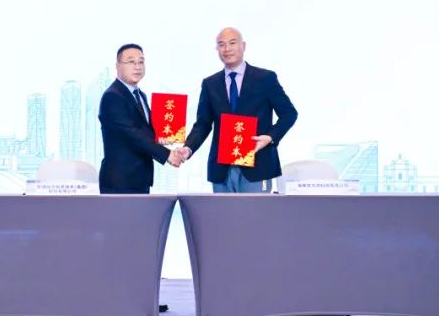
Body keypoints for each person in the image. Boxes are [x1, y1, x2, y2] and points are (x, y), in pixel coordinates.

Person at [180, 28, 297, 193]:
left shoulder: (265, 78)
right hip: (222, 168)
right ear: (217, 49)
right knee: (223, 211)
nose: (227, 49)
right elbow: (203, 124)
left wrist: (270, 137)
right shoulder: (210, 83)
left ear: (243, 46)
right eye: (221, 45)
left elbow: (289, 113)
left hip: (257, 164)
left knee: (255, 211)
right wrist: (188, 148)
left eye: (232, 43)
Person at [98, 43, 184, 194]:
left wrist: (160, 137)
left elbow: (143, 131)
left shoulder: (140, 95)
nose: (137, 67)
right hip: (120, 181)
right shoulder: (113, 96)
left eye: (141, 62)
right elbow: (132, 135)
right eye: (131, 62)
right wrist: (167, 154)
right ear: (118, 66)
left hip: (140, 179)